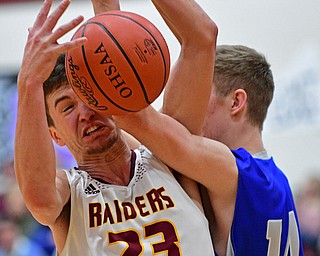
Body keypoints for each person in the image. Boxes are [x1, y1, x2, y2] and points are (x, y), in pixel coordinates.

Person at [14, 0, 218, 255]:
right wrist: (29, 81)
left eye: (89, 97)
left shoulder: (172, 158)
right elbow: (39, 199)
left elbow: (202, 39)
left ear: (109, 98)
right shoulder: (69, 194)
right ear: (55, 136)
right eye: (67, 108)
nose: (85, 113)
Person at [114, 45, 304, 256]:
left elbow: (137, 123)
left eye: (200, 94)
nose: (191, 106)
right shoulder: (276, 179)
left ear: (236, 102)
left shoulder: (233, 170)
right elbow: (138, 147)